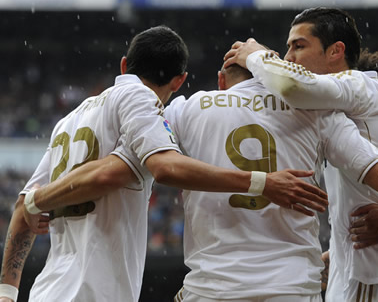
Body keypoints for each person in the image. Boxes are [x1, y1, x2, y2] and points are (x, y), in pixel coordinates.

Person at [0, 25, 330, 302]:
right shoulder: (141, 101)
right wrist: (262, 182)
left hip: (50, 289)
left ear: (124, 64)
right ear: (179, 80)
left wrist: (7, 293)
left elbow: (21, 211)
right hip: (98, 290)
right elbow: (135, 170)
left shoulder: (69, 121)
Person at [224, 7, 378, 301]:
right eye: (287, 48)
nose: (288, 58)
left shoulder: (359, 86)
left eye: (298, 46)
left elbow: (292, 85)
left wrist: (256, 55)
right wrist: (339, 250)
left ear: (336, 51)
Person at [163, 61, 378, 302]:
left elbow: (162, 165)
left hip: (213, 286)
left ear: (222, 81)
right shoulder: (315, 112)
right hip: (293, 285)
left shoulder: (184, 109)